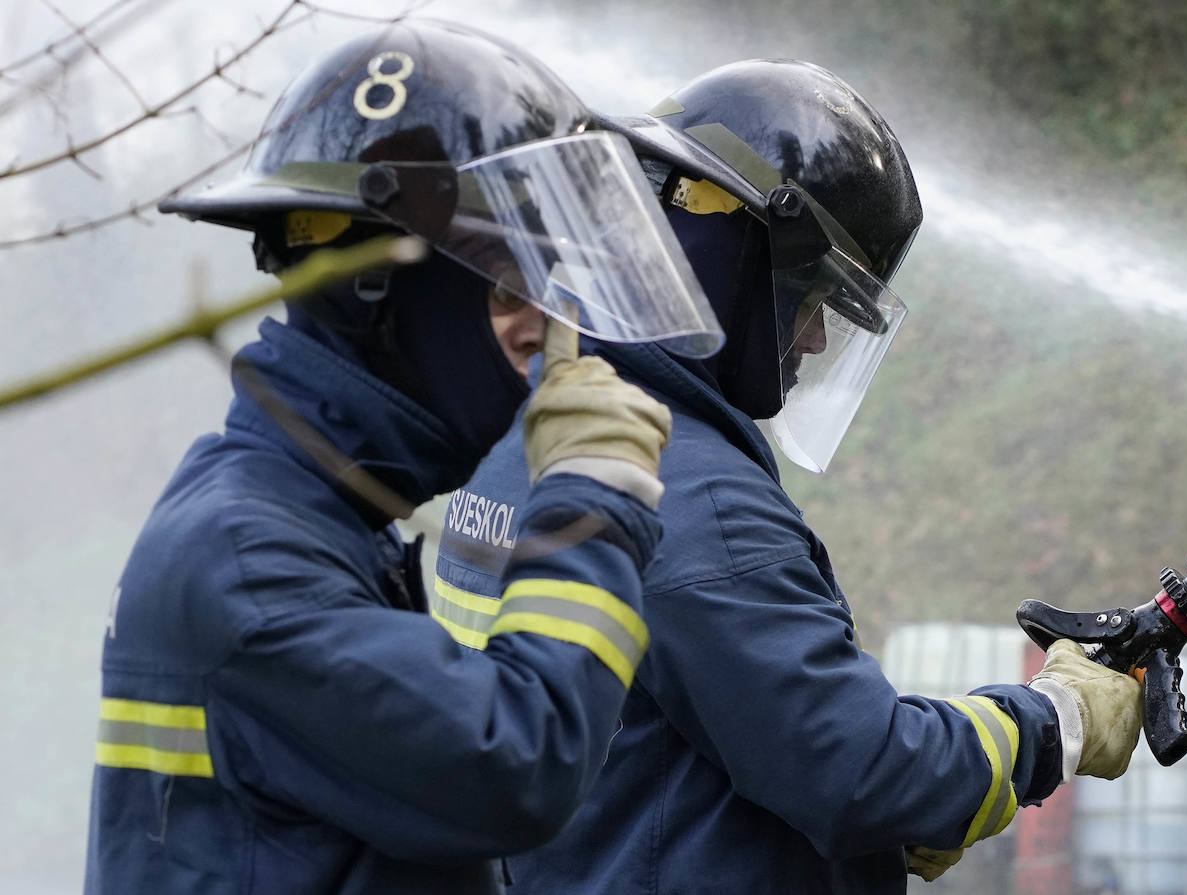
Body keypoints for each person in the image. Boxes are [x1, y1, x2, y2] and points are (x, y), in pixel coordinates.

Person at [434, 59, 1144, 893]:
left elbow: (697, 744)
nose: (810, 342)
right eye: (810, 296)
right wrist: (1057, 716)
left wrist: (889, 805)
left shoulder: (523, 441)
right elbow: (863, 775)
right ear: (729, 260)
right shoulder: (692, 502)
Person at [84, 22, 725, 895]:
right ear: (375, 289)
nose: (540, 329)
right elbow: (516, 766)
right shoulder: (251, 561)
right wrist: (593, 499)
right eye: (506, 285)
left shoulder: (309, 516)